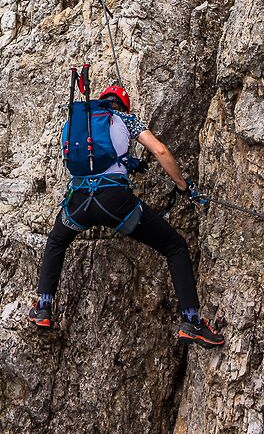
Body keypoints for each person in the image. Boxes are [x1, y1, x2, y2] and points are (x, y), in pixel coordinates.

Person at [27, 82, 224, 346]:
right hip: (116, 204)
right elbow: (160, 150)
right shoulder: (125, 118)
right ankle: (192, 321)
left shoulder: (76, 122)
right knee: (174, 246)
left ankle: (43, 306)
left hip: (79, 203)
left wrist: (127, 163)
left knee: (57, 241)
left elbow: (86, 162)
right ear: (123, 105)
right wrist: (183, 186)